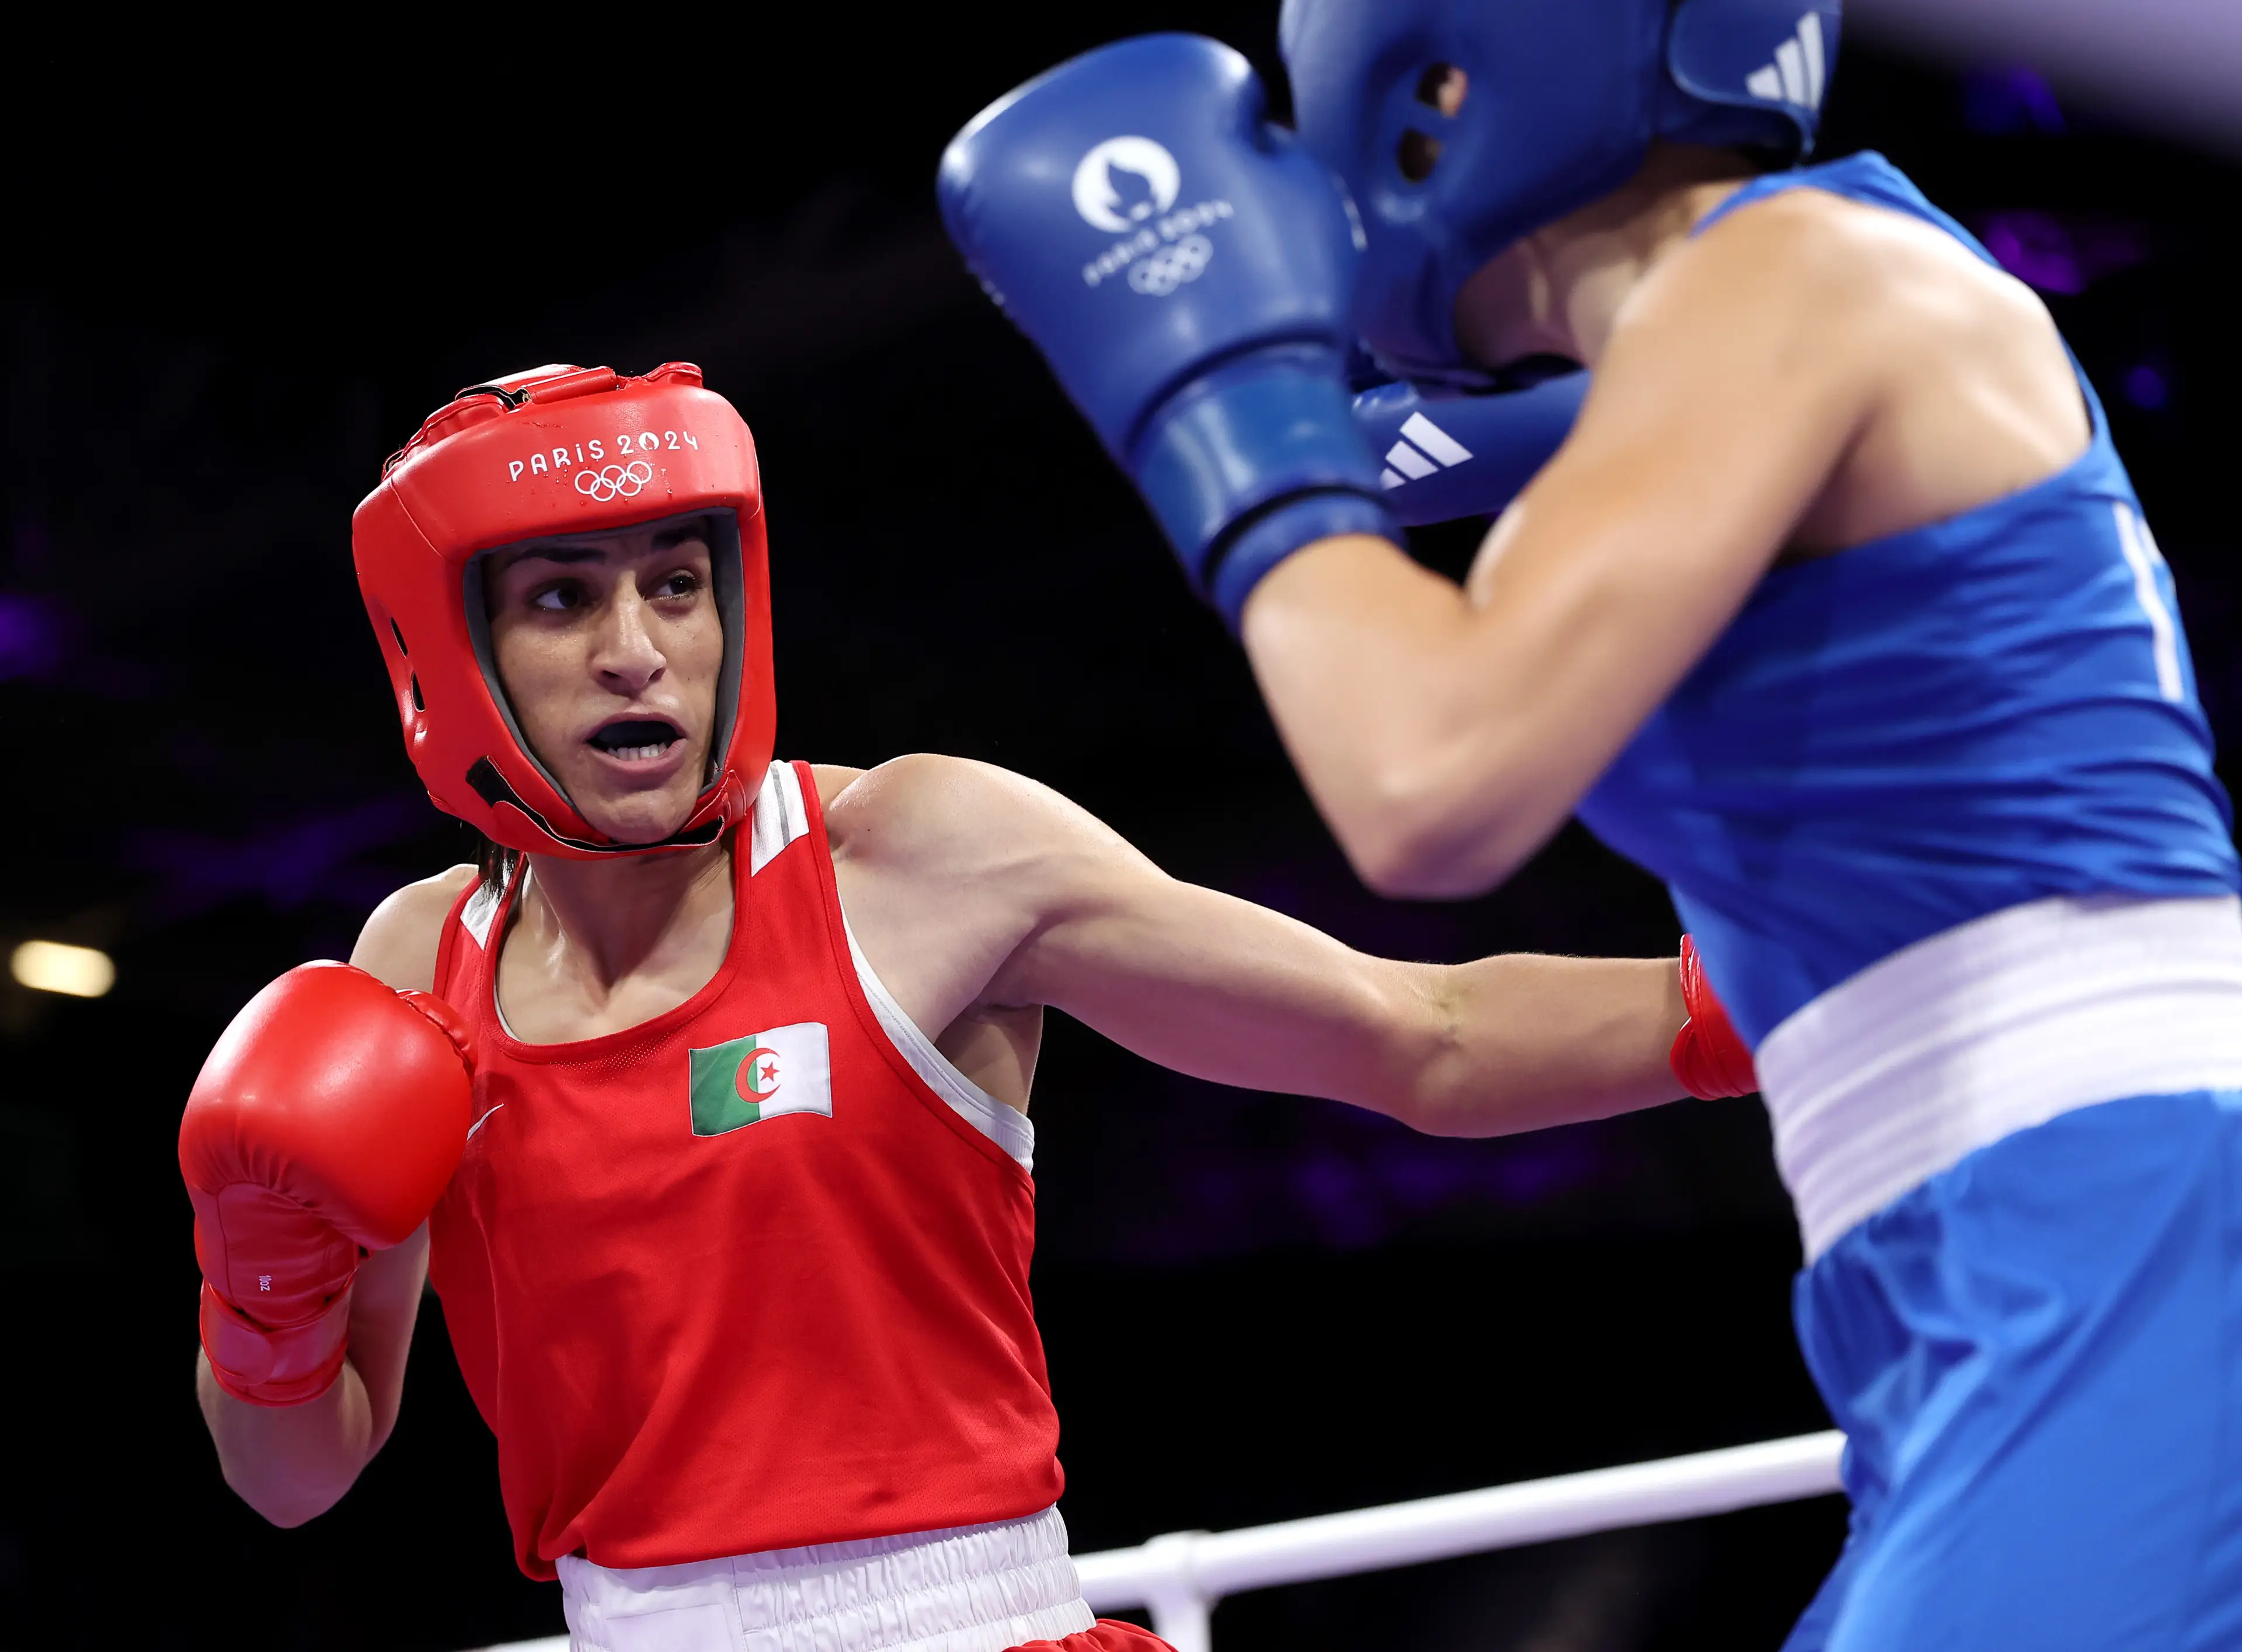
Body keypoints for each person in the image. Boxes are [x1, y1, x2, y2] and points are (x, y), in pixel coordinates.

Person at [939, 5, 2242, 1648]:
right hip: (1967, 1262)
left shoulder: (1790, 276)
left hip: (2125, 1217)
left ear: (1442, 79)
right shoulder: (1791, 308)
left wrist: (1220, 395)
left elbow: (1425, 781)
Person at [179, 363, 1754, 1652]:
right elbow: (295, 1481)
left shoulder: (917, 856)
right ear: (446, 652)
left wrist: (1787, 999)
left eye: (677, 583)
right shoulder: (411, 967)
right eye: (562, 600)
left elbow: (1425, 1035)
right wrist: (266, 1300)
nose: (640, 651)